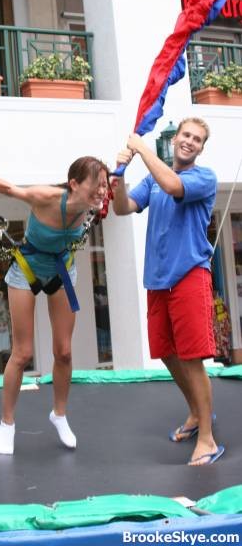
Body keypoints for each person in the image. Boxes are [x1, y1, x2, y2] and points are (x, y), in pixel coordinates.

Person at [0, 157, 109, 455]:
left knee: (63, 351)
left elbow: (117, 186)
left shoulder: (92, 205)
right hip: (27, 269)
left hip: (62, 269)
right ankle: (7, 424)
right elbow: (7, 187)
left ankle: (59, 415)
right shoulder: (46, 198)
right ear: (74, 184)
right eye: (96, 185)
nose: (102, 191)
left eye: (104, 185)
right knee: (23, 354)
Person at [112, 117, 224, 466]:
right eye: (186, 135)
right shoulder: (152, 181)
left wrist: (142, 147)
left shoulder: (202, 179)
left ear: (202, 148)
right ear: (175, 139)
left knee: (192, 358)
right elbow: (122, 207)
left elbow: (173, 184)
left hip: (190, 275)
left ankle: (207, 438)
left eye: (197, 139)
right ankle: (194, 414)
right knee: (165, 352)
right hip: (158, 280)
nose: (190, 141)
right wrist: (118, 174)